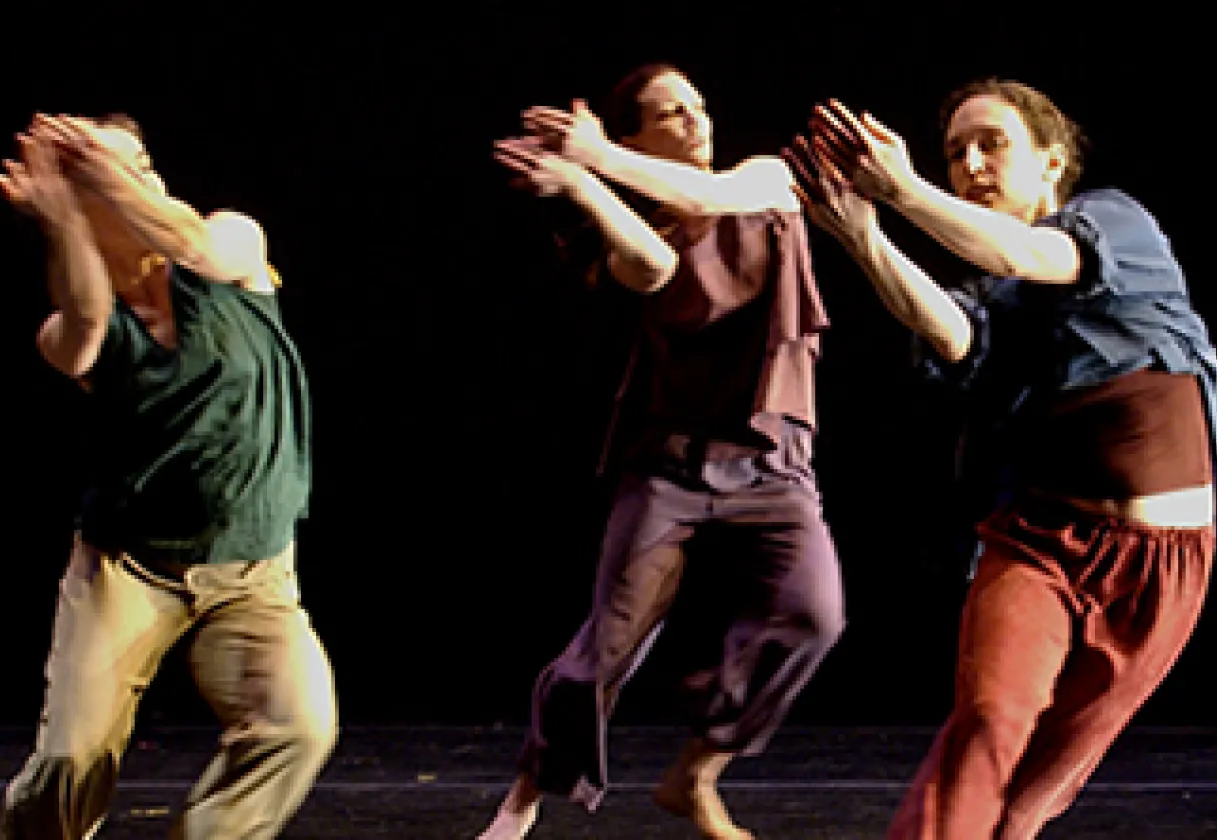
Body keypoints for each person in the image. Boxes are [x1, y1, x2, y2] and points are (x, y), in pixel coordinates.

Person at [784, 79, 1215, 839]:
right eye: (955, 153)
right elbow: (954, 334)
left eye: (992, 144)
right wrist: (862, 234)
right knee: (987, 725)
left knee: (1033, 798)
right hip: (1041, 544)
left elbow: (1027, 250)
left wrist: (905, 190)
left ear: (1052, 163)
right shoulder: (996, 292)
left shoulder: (1114, 223)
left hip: (1166, 569)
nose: (971, 164)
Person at [480, 63, 846, 840]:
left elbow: (712, 198)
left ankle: (698, 771)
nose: (695, 121)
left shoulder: (761, 177)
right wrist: (586, 185)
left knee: (813, 615)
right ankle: (522, 802)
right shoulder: (624, 216)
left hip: (772, 451)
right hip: (672, 459)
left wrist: (595, 159)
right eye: (670, 113)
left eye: (699, 106)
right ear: (635, 134)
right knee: (604, 649)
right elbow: (654, 266)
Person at [0, 113, 338, 840]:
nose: (140, 180)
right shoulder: (73, 328)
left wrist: (99, 173)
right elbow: (83, 324)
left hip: (255, 572)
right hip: (128, 570)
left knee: (297, 726)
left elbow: (196, 242)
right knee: (68, 763)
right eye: (109, 173)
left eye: (143, 163)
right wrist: (63, 214)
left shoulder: (231, 248)